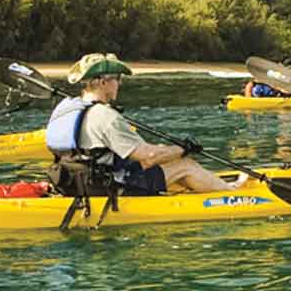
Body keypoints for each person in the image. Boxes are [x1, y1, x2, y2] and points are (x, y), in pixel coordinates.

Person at [44, 53, 230, 195]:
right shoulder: (105, 116)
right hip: (106, 186)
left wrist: (166, 151)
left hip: (70, 182)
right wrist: (183, 149)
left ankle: (218, 186)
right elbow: (148, 157)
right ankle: (233, 194)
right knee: (185, 165)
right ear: (103, 82)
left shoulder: (64, 108)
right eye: (118, 79)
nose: (120, 84)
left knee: (165, 156)